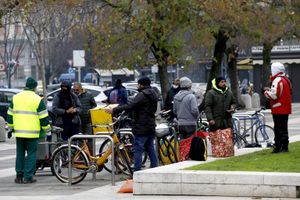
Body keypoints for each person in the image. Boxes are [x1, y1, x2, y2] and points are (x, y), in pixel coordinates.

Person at [105, 77, 158, 172]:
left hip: (141, 125)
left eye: (138, 84)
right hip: (150, 124)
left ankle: (137, 172)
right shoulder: (153, 93)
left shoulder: (142, 95)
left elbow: (131, 106)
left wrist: (113, 110)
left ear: (141, 84)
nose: (137, 86)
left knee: (137, 149)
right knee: (150, 148)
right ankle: (154, 169)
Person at [7, 77, 51, 184]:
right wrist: (48, 130)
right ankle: (28, 177)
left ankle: (19, 176)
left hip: (19, 132)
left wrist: (10, 128)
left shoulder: (16, 98)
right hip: (32, 133)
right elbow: (43, 118)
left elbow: (10, 115)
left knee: (20, 153)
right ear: (34, 87)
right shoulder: (37, 99)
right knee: (31, 154)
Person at [264, 62, 292, 153]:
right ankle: (285, 147)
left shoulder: (277, 80)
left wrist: (266, 93)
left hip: (278, 108)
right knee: (284, 128)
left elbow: (274, 95)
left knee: (278, 128)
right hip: (285, 108)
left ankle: (278, 147)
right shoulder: (286, 79)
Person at [73, 82, 97, 152]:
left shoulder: (88, 94)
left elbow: (94, 105)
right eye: (74, 90)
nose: (75, 91)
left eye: (77, 90)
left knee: (89, 139)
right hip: (78, 121)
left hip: (88, 120)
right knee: (80, 140)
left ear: (81, 88)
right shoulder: (73, 96)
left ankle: (91, 154)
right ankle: (81, 156)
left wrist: (90, 111)